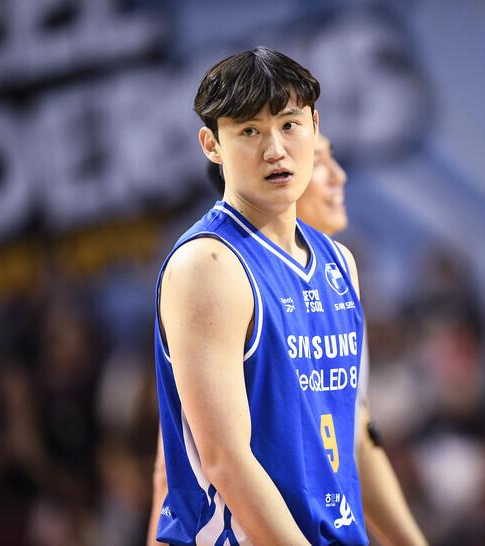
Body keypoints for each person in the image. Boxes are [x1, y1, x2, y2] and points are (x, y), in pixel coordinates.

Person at [148, 131, 427, 545]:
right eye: (321, 161)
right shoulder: (221, 277)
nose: (338, 176)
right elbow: (172, 475)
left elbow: (357, 440)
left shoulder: (337, 274)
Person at [152, 47, 367, 545]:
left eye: (289, 125)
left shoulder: (339, 264)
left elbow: (350, 441)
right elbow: (224, 459)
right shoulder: (208, 264)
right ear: (211, 145)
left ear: (315, 125)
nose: (275, 149)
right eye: (249, 131)